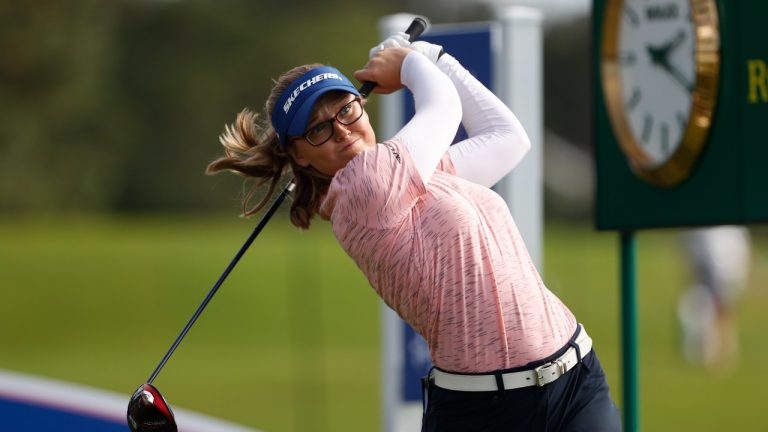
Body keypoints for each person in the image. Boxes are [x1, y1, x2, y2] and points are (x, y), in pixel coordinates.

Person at [207, 33, 621, 431]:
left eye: (346, 109)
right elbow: (443, 108)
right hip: (486, 412)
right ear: (299, 154)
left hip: (576, 380)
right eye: (318, 129)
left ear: (362, 106)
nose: (341, 130)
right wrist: (408, 64)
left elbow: (508, 138)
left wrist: (432, 55)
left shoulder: (420, 175)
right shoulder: (364, 189)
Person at [677, 225, 751, 370]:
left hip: (722, 268)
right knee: (713, 309)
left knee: (721, 310)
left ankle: (722, 350)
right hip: (717, 267)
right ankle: (715, 349)